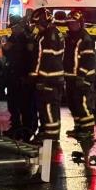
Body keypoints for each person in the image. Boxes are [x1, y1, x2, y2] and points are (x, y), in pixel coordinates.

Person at [29, 8, 64, 141]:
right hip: (55, 77)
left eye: (38, 24)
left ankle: (50, 136)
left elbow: (45, 59)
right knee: (52, 108)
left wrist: (40, 79)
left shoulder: (47, 36)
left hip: (49, 78)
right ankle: (50, 133)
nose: (37, 27)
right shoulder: (55, 33)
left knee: (48, 107)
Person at [2, 15, 37, 141]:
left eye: (14, 26)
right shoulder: (14, 37)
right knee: (13, 104)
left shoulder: (27, 38)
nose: (12, 29)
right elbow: (6, 51)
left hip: (24, 77)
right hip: (13, 75)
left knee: (26, 106)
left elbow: (32, 58)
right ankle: (15, 127)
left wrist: (29, 76)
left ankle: (28, 130)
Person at [63, 10, 96, 140]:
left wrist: (81, 76)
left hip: (83, 78)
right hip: (71, 77)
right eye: (69, 23)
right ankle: (79, 127)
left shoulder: (85, 38)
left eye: (74, 23)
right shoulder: (70, 38)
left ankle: (88, 130)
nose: (71, 26)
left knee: (82, 104)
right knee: (73, 104)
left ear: (80, 23)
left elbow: (88, 60)